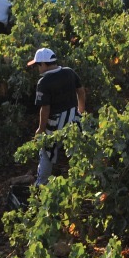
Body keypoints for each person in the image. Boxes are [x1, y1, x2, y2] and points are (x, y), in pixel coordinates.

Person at [28, 47, 85, 186]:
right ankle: (82, 179)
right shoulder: (69, 72)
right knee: (79, 149)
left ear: (43, 64)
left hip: (56, 121)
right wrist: (80, 111)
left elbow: (45, 108)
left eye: (37, 65)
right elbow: (81, 91)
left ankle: (41, 183)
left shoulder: (44, 82)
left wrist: (40, 129)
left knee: (47, 151)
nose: (37, 69)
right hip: (74, 117)